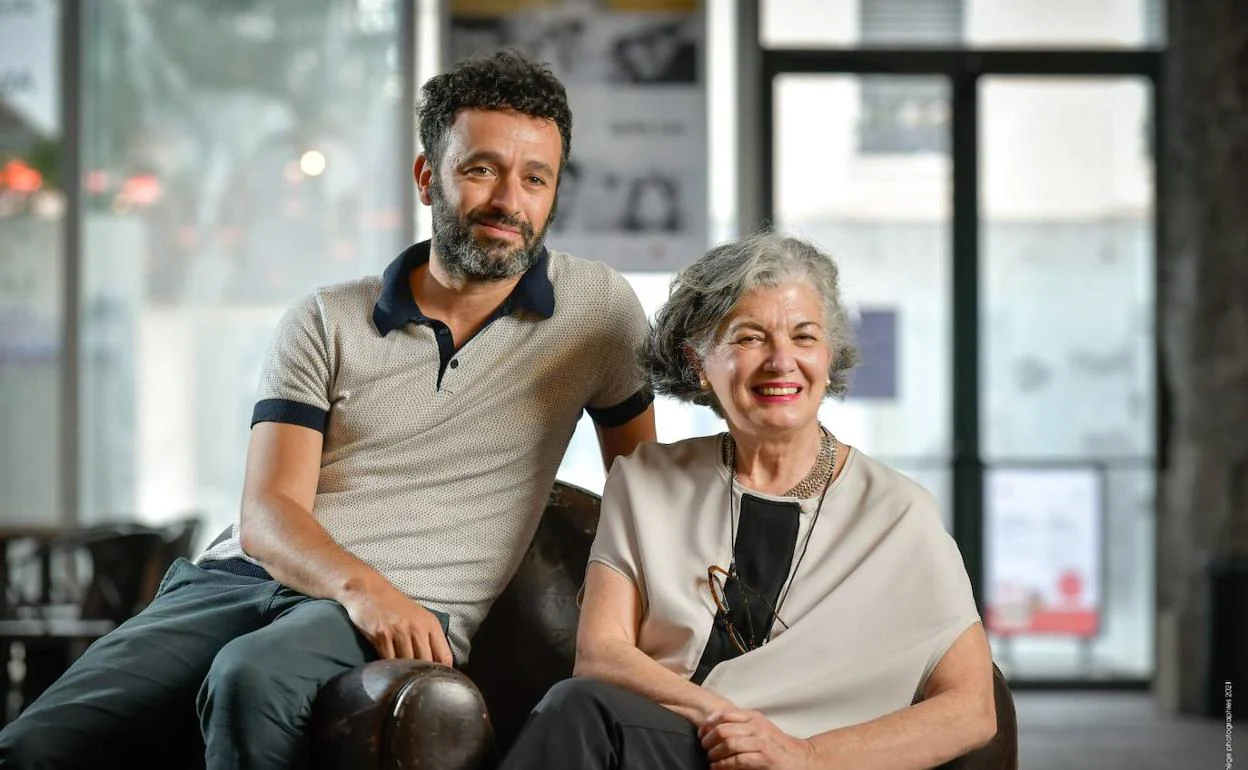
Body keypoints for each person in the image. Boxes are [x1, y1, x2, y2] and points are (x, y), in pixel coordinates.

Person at [0, 51, 656, 769]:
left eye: (536, 179)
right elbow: (267, 513)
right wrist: (365, 590)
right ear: (427, 176)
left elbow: (643, 487)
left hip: (406, 606)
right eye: (481, 169)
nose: (510, 200)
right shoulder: (325, 319)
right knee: (37, 744)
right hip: (237, 582)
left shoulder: (597, 313)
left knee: (252, 678)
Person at [500, 233, 996, 770]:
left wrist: (800, 755)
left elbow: (972, 708)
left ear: (828, 358)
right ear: (698, 363)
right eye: (750, 338)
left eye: (804, 337)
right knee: (579, 707)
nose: (781, 361)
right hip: (674, 744)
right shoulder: (645, 481)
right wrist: (736, 725)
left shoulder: (900, 513)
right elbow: (600, 656)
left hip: (815, 762)